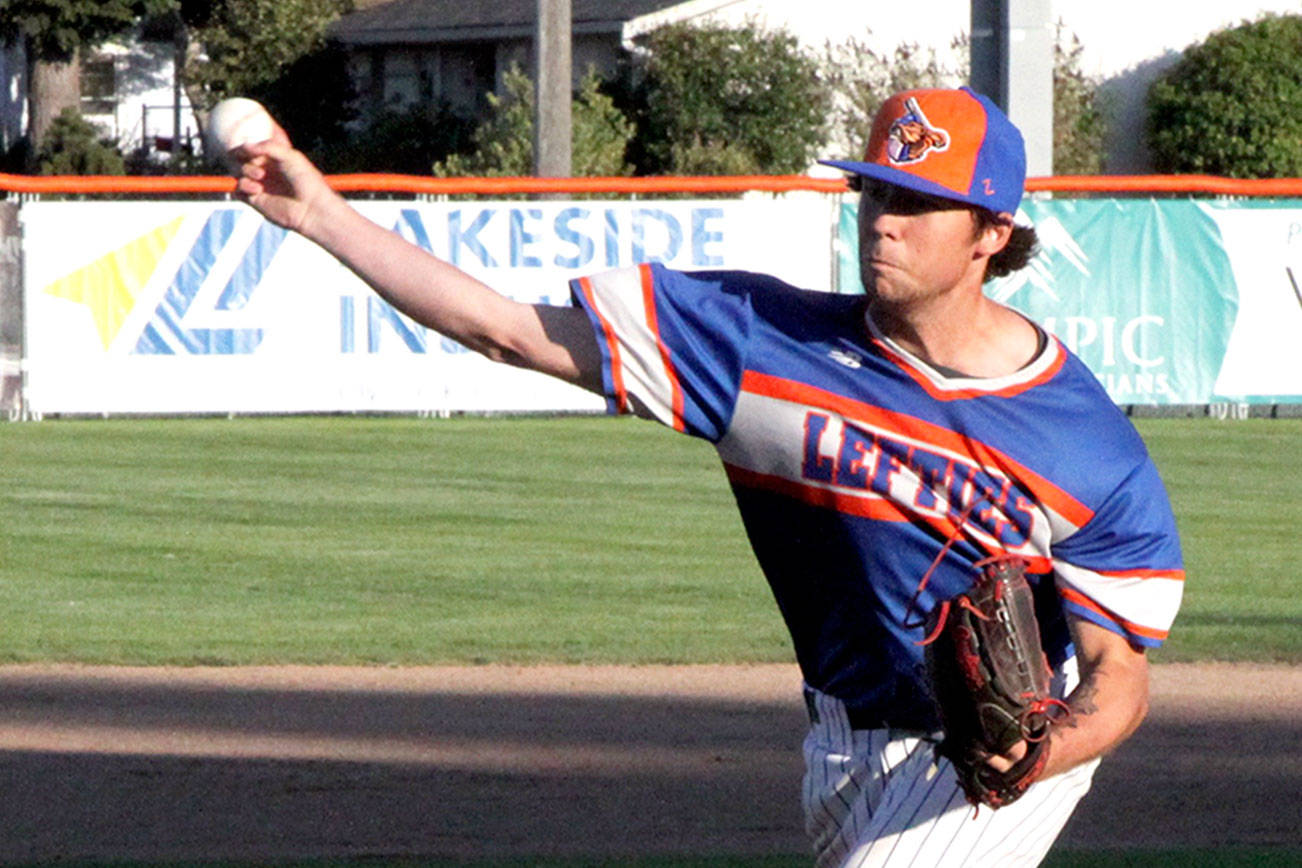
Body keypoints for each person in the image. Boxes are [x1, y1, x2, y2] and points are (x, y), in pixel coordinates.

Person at [232, 86, 1184, 867]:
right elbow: (506, 329)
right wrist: (318, 213)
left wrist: (1042, 750)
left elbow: (1120, 676)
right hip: (839, 745)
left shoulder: (1085, 446)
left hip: (982, 762)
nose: (884, 222)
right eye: (874, 193)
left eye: (916, 201)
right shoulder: (754, 343)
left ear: (990, 232)